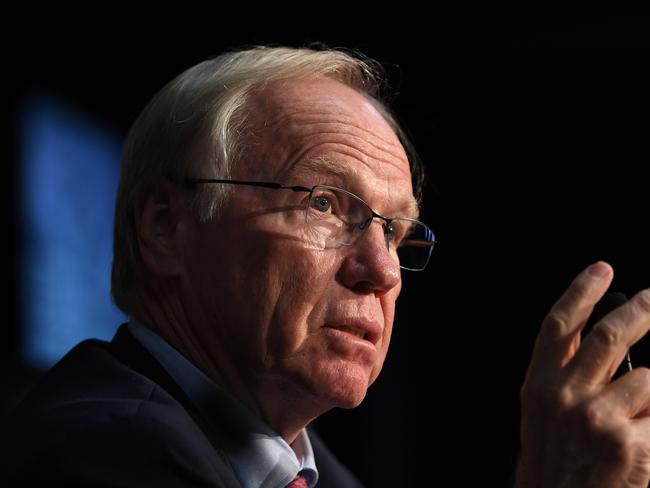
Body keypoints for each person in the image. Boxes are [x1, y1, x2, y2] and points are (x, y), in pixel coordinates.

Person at [1, 45, 649, 487]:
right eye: (323, 203)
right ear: (166, 228)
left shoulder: (312, 473)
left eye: (395, 231)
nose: (382, 270)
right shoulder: (106, 450)